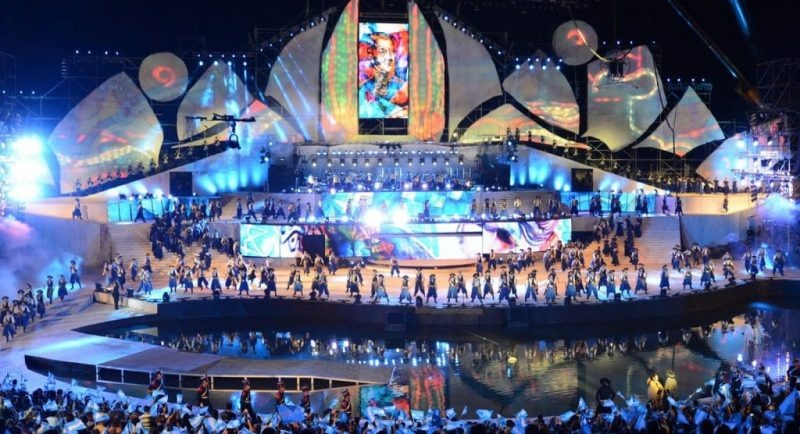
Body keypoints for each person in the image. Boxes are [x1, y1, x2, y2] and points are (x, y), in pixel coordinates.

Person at [358, 32, 408, 119]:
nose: (389, 57)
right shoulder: (363, 90)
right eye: (383, 51)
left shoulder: (401, 84)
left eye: (391, 51)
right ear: (371, 55)